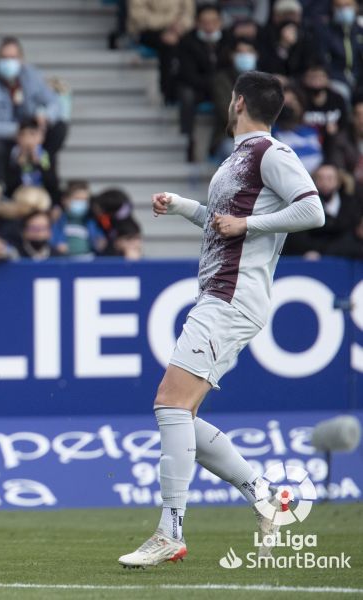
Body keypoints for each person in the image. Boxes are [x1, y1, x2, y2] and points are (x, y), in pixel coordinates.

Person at [117, 71, 326, 568]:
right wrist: (183, 206)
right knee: (180, 413)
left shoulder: (270, 153)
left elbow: (313, 210)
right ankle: (269, 498)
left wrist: (248, 223)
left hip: (232, 297)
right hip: (221, 295)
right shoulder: (240, 159)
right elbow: (223, 223)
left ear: (236, 103)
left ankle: (170, 530)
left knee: (169, 404)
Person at [0, 37, 65, 186]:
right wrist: (21, 132)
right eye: (4, 58)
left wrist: (45, 117)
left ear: (21, 59)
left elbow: (54, 102)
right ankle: (1, 186)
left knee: (59, 128)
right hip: (0, 134)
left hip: (29, 131)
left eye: (13, 57)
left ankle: (44, 173)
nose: (8, 62)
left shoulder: (31, 75)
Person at [176, 3, 226, 162]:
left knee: (228, 97)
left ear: (220, 22)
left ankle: (219, 142)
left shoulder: (228, 40)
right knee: (186, 96)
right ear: (197, 23)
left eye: (214, 21)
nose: (210, 26)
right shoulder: (187, 41)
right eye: (205, 22)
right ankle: (188, 140)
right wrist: (213, 83)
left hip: (221, 86)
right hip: (196, 86)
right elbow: (187, 74)